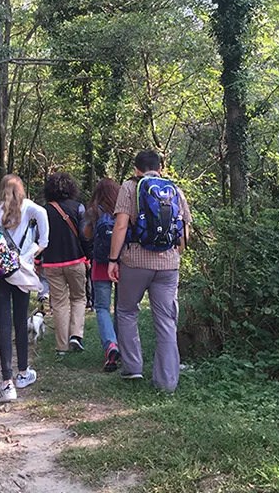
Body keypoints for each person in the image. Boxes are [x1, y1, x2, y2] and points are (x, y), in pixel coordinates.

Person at [107, 151, 192, 390]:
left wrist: (113, 259)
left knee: (126, 311)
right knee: (166, 321)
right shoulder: (175, 189)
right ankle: (166, 382)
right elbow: (184, 232)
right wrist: (175, 255)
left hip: (135, 260)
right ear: (161, 169)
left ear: (136, 169)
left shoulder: (129, 187)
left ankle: (133, 367)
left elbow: (121, 225)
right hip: (168, 266)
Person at [0, 175, 49, 403]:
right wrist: (28, 255)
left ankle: (6, 382)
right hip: (22, 272)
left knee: (4, 323)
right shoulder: (31, 208)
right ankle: (23, 372)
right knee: (20, 321)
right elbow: (44, 238)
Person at [41, 173, 88, 355]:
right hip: (76, 260)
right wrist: (88, 257)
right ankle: (76, 335)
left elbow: (40, 238)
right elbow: (84, 236)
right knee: (78, 298)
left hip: (52, 264)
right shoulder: (78, 208)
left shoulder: (43, 211)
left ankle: (62, 347)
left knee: (59, 304)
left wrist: (38, 261)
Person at [84, 178, 121, 371]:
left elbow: (87, 235)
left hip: (100, 263)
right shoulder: (124, 207)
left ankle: (110, 346)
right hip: (122, 262)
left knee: (102, 308)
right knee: (122, 308)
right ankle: (121, 348)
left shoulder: (93, 210)